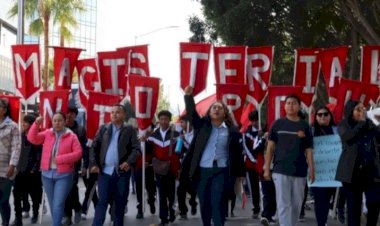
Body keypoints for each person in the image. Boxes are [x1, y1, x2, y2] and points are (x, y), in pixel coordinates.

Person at [184, 86, 245, 226]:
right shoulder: (202, 126)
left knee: (218, 202)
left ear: (225, 113)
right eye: (214, 108)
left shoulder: (232, 131)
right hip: (203, 170)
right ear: (209, 112)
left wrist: (241, 173)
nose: (216, 109)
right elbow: (192, 114)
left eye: (220, 108)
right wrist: (188, 97)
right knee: (205, 203)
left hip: (222, 171)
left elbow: (238, 153)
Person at [263, 94, 315, 226]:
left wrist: (312, 170)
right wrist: (267, 168)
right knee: (283, 203)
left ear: (299, 106)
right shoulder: (277, 124)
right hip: (280, 169)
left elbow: (309, 150)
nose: (291, 106)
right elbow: (270, 147)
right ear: (284, 106)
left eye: (294, 103)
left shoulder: (305, 126)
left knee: (297, 204)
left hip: (300, 170)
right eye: (288, 103)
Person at [27, 112, 82, 226]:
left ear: (64, 121)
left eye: (60, 120)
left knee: (58, 204)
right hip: (46, 175)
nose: (57, 123)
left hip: (63, 175)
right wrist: (36, 123)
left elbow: (78, 153)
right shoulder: (48, 133)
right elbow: (32, 138)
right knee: (53, 204)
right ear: (52, 122)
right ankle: (57, 223)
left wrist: (61, 159)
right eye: (55, 120)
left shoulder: (71, 136)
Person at [90, 104, 141, 226]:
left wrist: (128, 162)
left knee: (120, 204)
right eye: (112, 112)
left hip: (121, 173)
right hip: (105, 172)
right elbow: (94, 147)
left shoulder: (130, 130)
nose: (114, 114)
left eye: (117, 112)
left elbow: (137, 149)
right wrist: (94, 164)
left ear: (124, 115)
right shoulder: (104, 129)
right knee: (102, 202)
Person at [335, 100, 380, 226]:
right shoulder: (344, 124)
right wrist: (361, 123)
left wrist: (374, 122)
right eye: (358, 109)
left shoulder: (369, 124)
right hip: (352, 173)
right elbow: (347, 138)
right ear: (351, 111)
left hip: (372, 173)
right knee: (354, 209)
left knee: (374, 204)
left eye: (363, 109)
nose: (362, 111)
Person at [145, 110, 181, 226]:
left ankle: (172, 212)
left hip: (172, 169)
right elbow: (148, 152)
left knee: (172, 195)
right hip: (159, 169)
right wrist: (147, 161)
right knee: (161, 195)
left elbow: (182, 151)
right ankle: (163, 218)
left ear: (170, 120)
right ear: (158, 121)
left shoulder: (176, 134)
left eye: (166, 119)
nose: (164, 121)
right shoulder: (153, 135)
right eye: (161, 119)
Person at [310, 106, 339, 226]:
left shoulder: (337, 130)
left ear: (330, 116)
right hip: (316, 171)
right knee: (319, 200)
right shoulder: (310, 131)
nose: (323, 117)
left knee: (328, 199)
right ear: (315, 117)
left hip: (333, 171)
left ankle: (326, 219)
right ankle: (321, 223)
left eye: (325, 114)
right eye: (320, 115)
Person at [11, 114, 42, 226]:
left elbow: (39, 155)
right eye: (22, 122)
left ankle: (35, 213)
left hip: (32, 172)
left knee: (34, 195)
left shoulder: (37, 137)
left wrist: (34, 168)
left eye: (25, 122)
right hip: (20, 171)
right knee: (17, 195)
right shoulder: (20, 135)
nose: (23, 124)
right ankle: (18, 218)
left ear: (32, 124)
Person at [62, 106, 87, 225]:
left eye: (71, 114)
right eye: (67, 113)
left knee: (71, 187)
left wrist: (84, 165)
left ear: (75, 116)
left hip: (74, 164)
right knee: (64, 189)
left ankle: (75, 209)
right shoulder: (60, 128)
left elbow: (85, 149)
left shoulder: (80, 130)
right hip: (61, 164)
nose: (68, 116)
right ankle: (68, 214)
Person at [0, 98, 21, 226]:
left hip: (6, 168)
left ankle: (5, 223)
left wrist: (12, 165)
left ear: (5, 110)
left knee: (3, 199)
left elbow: (16, 147)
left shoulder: (12, 126)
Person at [242, 110, 265, 219]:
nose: (255, 122)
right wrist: (254, 159)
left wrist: (262, 136)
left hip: (264, 162)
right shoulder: (247, 133)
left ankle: (267, 210)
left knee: (266, 187)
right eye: (253, 120)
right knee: (254, 187)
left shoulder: (266, 130)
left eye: (257, 119)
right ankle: (256, 208)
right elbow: (246, 148)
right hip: (251, 164)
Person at [177, 115, 197, 220]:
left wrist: (184, 140)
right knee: (181, 189)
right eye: (181, 123)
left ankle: (193, 202)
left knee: (193, 187)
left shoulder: (196, 134)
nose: (182, 125)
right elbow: (179, 151)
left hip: (195, 166)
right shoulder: (180, 135)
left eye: (183, 122)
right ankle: (183, 211)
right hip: (184, 166)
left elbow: (193, 149)